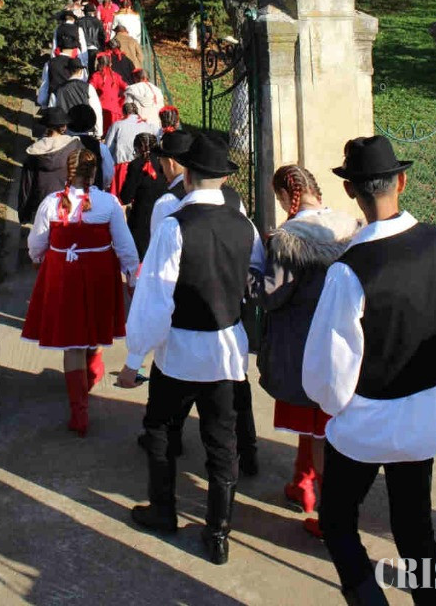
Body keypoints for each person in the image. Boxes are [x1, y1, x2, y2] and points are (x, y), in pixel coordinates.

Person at [302, 135, 436, 606]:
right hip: (427, 415)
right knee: (414, 524)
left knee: (337, 519)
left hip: (368, 422)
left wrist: (339, 405)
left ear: (351, 191)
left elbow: (330, 371)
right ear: (402, 182)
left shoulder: (349, 270)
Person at [118, 134, 256, 565]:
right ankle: (218, 532)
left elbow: (155, 298)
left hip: (179, 350)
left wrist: (133, 359)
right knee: (221, 442)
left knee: (160, 428)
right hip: (226, 351)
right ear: (223, 179)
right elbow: (255, 271)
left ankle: (164, 510)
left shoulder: (174, 226)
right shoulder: (244, 224)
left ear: (189, 175)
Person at [251, 164, 361, 538]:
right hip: (343, 338)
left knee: (318, 430)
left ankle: (332, 515)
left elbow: (272, 295)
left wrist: (251, 272)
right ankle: (303, 482)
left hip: (302, 343)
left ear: (287, 196)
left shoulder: (290, 239)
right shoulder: (349, 226)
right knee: (322, 423)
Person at [22, 148, 139, 436]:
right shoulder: (108, 203)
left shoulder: (51, 203)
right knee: (94, 326)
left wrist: (37, 259)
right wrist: (131, 276)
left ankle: (79, 411)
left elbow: (37, 243)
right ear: (95, 172)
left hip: (65, 276)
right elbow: (125, 245)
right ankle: (93, 369)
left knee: (72, 342)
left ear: (68, 171)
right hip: (99, 274)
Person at [17, 108, 82, 224]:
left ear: (46, 127)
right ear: (64, 127)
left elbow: (26, 187)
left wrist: (24, 215)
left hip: (43, 206)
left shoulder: (34, 153)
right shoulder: (75, 146)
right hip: (70, 203)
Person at [120, 133, 168, 262]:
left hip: (141, 218)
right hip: (163, 214)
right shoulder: (163, 163)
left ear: (137, 148)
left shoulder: (136, 165)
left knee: (140, 257)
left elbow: (126, 196)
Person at [104, 100, 149, 196]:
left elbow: (108, 148)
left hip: (122, 168)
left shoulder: (117, 125)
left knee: (119, 198)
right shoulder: (146, 126)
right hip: (142, 167)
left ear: (123, 112)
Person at [67, 103, 114, 191]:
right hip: (93, 191)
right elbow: (108, 174)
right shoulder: (100, 147)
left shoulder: (64, 144)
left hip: (67, 191)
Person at [52, 60, 103, 137]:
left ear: (67, 71)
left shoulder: (58, 90)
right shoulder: (88, 87)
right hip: (86, 131)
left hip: (67, 132)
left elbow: (53, 113)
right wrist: (99, 132)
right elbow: (96, 110)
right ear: (81, 71)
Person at [90, 51, 127, 134]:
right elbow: (127, 88)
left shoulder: (96, 76)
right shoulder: (116, 76)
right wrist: (121, 101)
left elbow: (89, 90)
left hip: (102, 110)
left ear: (99, 63)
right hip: (116, 110)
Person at [77, 3, 105, 76]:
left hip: (82, 47)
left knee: (82, 69)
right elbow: (102, 36)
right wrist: (102, 49)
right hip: (95, 47)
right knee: (93, 69)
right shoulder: (98, 22)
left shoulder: (79, 22)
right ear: (94, 12)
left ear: (84, 12)